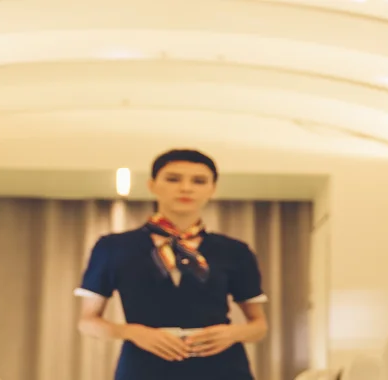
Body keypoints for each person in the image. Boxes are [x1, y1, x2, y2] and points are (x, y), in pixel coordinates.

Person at [75, 149, 267, 380]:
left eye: (199, 181)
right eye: (173, 179)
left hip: (222, 365)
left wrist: (233, 333)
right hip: (144, 364)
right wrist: (132, 332)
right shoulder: (113, 247)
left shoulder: (235, 250)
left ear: (212, 189)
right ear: (152, 185)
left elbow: (258, 325)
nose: (186, 188)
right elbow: (88, 321)